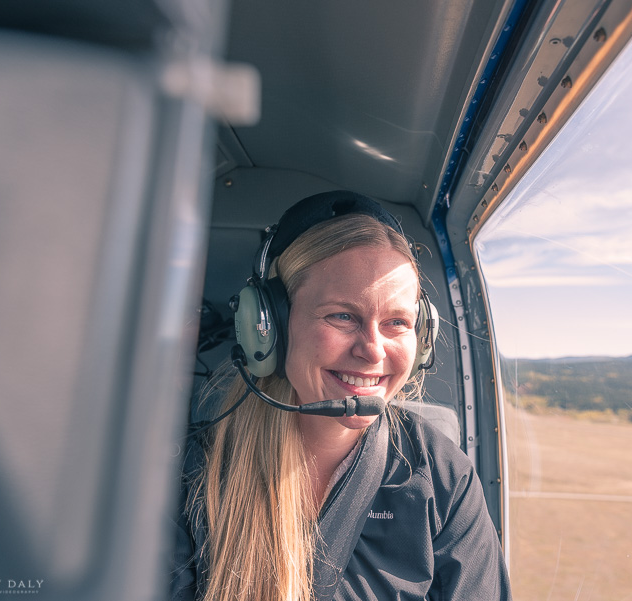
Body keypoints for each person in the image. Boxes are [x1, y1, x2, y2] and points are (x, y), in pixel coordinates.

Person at [170, 190, 511, 601]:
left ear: (421, 338)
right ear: (270, 324)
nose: (372, 349)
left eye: (396, 322)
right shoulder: (189, 474)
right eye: (343, 316)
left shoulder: (441, 479)